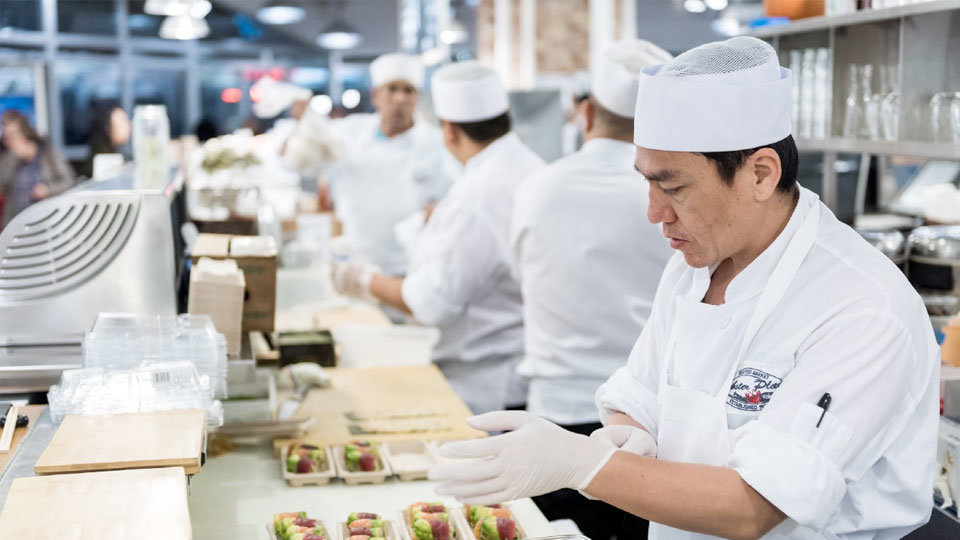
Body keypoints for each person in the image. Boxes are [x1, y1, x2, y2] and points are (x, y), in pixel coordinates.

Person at [428, 37, 939, 540]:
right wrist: (629, 436)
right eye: (646, 183)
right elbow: (641, 394)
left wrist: (583, 464)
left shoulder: (863, 307)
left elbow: (755, 507)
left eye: (672, 188)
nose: (654, 213)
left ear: (761, 174)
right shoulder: (698, 263)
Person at [510, 39, 674, 540]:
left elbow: (523, 280)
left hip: (553, 417)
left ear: (585, 113)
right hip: (643, 432)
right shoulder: (672, 196)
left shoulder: (537, 187)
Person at [331, 62, 545, 414]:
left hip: (485, 383)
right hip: (515, 366)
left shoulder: (477, 195)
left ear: (448, 132)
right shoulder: (528, 166)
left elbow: (429, 302)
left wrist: (361, 279)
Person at [286, 53, 456, 276]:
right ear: (376, 96)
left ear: (418, 97)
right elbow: (300, 162)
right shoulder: (349, 133)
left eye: (408, 90)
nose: (400, 98)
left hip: (414, 267)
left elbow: (453, 202)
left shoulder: (437, 144)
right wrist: (306, 122)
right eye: (392, 89)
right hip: (355, 261)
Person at [0, 110, 75, 229]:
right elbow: (3, 185)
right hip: (17, 224)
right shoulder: (9, 159)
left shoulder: (48, 155)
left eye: (11, 136)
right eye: (5, 137)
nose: (7, 142)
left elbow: (69, 181)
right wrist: (13, 158)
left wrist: (48, 190)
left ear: (24, 133)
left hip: (46, 222)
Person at [80, 102, 131, 179]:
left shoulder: (114, 151)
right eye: (122, 122)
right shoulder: (104, 158)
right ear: (107, 128)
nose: (129, 125)